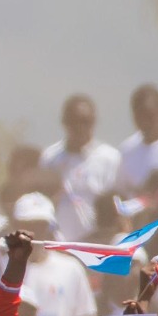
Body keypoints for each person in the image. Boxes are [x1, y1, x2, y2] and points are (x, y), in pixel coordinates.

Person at [42, 94, 121, 244]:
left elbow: (117, 204)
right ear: (64, 122)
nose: (80, 127)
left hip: (96, 243)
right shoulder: (50, 158)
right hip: (59, 242)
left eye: (86, 121)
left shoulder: (110, 158)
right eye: (74, 121)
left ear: (94, 122)